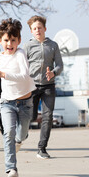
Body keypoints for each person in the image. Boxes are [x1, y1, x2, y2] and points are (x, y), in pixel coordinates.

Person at [0, 18, 36, 177]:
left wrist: (2, 75)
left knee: (21, 134)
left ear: (19, 41)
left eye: (13, 40)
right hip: (7, 102)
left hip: (25, 102)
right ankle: (11, 169)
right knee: (8, 133)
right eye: (6, 40)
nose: (10, 43)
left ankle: (19, 140)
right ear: (0, 40)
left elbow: (24, 76)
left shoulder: (20, 54)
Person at [23, 15, 63, 159]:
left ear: (45, 29)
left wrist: (53, 72)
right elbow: (22, 65)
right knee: (31, 116)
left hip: (48, 86)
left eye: (40, 28)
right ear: (31, 31)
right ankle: (23, 131)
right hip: (32, 86)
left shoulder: (53, 45)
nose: (37, 30)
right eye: (34, 28)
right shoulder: (27, 46)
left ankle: (42, 148)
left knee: (47, 116)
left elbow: (59, 65)